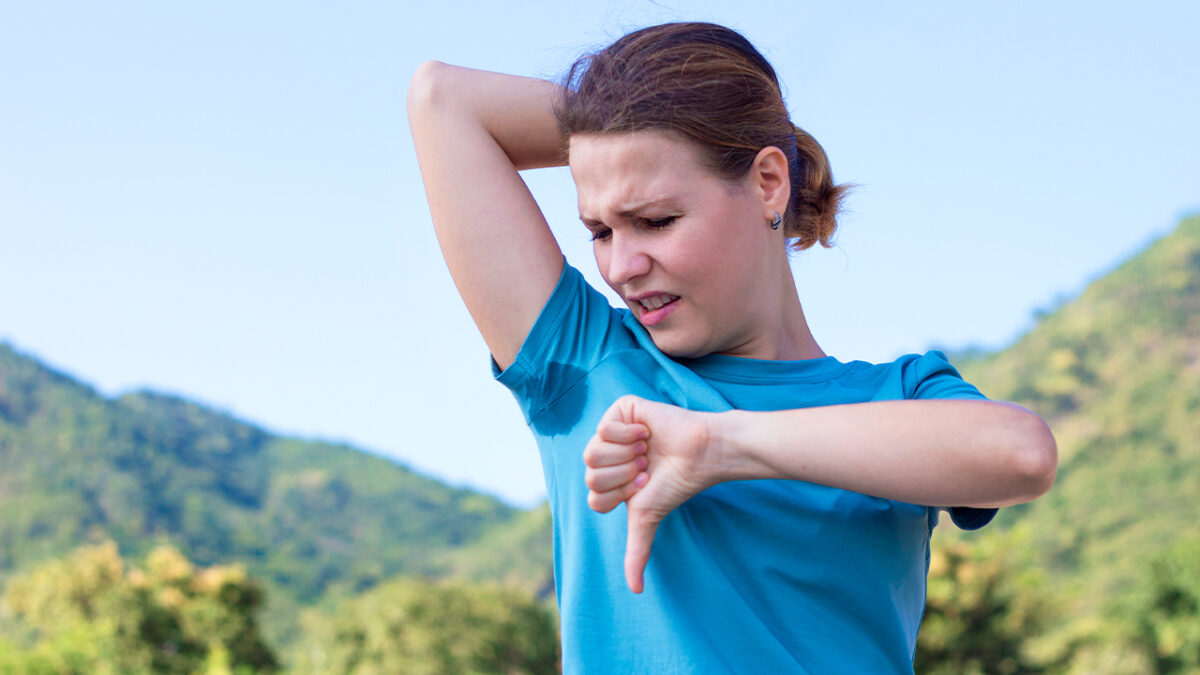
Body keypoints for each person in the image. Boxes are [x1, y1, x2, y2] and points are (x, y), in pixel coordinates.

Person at [407, 21, 1057, 674]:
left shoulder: (897, 395)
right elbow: (443, 99)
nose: (621, 266)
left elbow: (1022, 454)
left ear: (768, 182)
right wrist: (638, 119)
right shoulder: (584, 361)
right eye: (600, 231)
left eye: (655, 220)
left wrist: (719, 446)